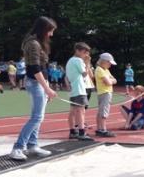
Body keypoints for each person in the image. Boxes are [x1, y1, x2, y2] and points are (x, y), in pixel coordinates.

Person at [10, 16, 58, 161]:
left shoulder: (39, 43)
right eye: (50, 31)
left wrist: (47, 87)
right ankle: (18, 148)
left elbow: (44, 68)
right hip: (35, 83)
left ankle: (33, 145)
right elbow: (35, 69)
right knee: (37, 117)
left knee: (39, 117)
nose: (51, 34)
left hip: (41, 83)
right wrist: (47, 89)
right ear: (43, 29)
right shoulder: (33, 44)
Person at [66, 42, 94, 141]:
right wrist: (87, 63)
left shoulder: (70, 60)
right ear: (77, 51)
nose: (85, 55)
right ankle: (82, 132)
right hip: (79, 88)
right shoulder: (78, 60)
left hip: (74, 89)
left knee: (73, 111)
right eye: (84, 52)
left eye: (86, 53)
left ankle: (72, 131)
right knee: (81, 111)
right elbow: (85, 74)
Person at [94, 53, 118, 137]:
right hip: (105, 92)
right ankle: (103, 129)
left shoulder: (106, 70)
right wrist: (111, 81)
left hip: (105, 92)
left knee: (101, 110)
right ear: (104, 61)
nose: (110, 65)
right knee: (104, 111)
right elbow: (108, 82)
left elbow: (115, 80)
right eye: (109, 63)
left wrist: (111, 81)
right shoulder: (99, 70)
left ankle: (99, 128)